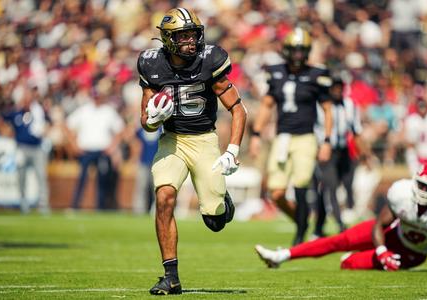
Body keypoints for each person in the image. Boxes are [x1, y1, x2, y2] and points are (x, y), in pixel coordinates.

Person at [137, 8, 247, 295]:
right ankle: (170, 276)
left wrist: (232, 150)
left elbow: (238, 109)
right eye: (183, 36)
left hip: (204, 140)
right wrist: (153, 120)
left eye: (192, 34)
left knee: (214, 220)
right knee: (164, 196)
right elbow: (146, 124)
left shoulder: (210, 60)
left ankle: (222, 203)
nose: (190, 41)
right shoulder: (151, 64)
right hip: (172, 140)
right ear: (169, 39)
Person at [255, 162, 427, 272]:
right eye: (421, 185)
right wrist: (381, 251)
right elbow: (380, 224)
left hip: (411, 254)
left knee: (347, 263)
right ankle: (281, 256)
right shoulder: (403, 192)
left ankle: (357, 258)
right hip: (388, 236)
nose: (423, 191)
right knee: (337, 240)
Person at [249, 27, 333, 246]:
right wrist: (256, 134)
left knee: (301, 183)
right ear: (286, 50)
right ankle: (302, 220)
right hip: (282, 137)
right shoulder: (276, 72)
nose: (297, 55)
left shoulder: (317, 74)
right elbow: (267, 106)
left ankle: (299, 234)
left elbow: (327, 110)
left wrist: (327, 140)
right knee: (275, 192)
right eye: (294, 50)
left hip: (305, 137)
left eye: (301, 50)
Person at [65, 77, 125, 210]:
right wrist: (74, 144)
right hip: (86, 150)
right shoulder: (84, 110)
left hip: (102, 151)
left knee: (102, 180)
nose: (97, 98)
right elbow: (67, 126)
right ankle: (75, 206)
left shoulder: (108, 111)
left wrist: (113, 147)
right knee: (82, 179)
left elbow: (120, 130)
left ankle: (101, 207)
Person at [313, 77, 363, 237]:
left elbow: (356, 131)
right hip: (326, 151)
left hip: (343, 152)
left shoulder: (350, 105)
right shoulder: (320, 106)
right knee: (331, 187)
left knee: (346, 184)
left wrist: (364, 154)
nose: (337, 91)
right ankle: (341, 225)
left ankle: (320, 226)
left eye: (339, 87)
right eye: (334, 88)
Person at [1, 85, 50, 214]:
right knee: (21, 177)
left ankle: (43, 205)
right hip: (21, 148)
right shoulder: (16, 113)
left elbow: (47, 124)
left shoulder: (38, 112)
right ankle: (23, 203)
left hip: (37, 148)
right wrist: (7, 133)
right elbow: (2, 119)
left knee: (41, 176)